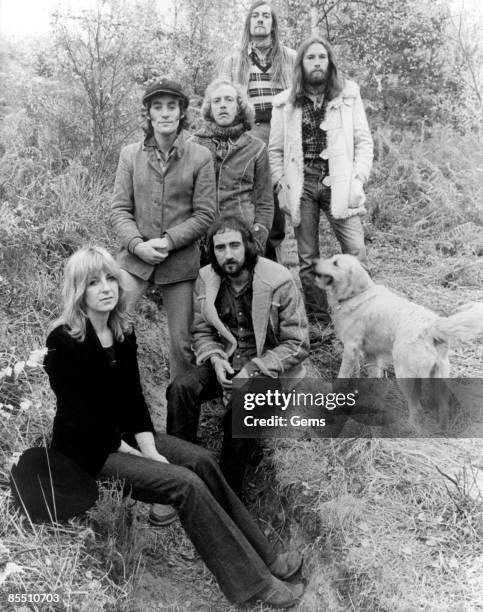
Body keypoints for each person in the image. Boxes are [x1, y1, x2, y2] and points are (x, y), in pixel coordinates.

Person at [43, 245, 304, 609]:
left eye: (110, 279)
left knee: (201, 461)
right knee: (186, 484)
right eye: (93, 283)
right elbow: (77, 416)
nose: (106, 288)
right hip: (88, 452)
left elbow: (133, 398)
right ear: (78, 291)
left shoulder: (122, 331)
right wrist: (132, 451)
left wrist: (149, 447)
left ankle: (268, 557)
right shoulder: (62, 340)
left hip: (125, 438)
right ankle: (253, 585)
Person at [166, 216, 309, 496]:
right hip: (228, 362)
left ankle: (227, 494)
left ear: (249, 246)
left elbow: (298, 343)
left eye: (234, 245)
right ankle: (180, 476)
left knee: (242, 410)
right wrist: (216, 359)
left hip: (269, 370)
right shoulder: (206, 279)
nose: (228, 254)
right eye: (220, 248)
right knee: (181, 389)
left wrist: (254, 369)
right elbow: (201, 331)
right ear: (211, 251)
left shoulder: (279, 279)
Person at [110, 79, 216, 381]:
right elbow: (119, 209)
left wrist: (169, 242)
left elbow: (206, 213)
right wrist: (136, 244)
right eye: (158, 107)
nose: (166, 113)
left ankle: (179, 425)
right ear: (149, 114)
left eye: (172, 106)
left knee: (182, 344)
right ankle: (120, 413)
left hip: (180, 263)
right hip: (135, 259)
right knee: (113, 325)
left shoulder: (199, 157)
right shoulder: (130, 155)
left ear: (182, 112)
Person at [269, 36, 373, 322]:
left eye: (322, 57)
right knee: (307, 257)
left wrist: (358, 180)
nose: (317, 63)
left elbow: (364, 142)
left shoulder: (348, 95)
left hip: (340, 181)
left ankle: (361, 313)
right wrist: (280, 184)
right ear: (301, 64)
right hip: (302, 184)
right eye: (310, 58)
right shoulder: (285, 104)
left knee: (355, 250)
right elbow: (275, 151)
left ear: (329, 62)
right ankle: (319, 321)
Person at [219, 1, 296, 262]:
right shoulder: (233, 61)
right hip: (248, 133)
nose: (261, 20)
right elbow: (223, 100)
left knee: (277, 195)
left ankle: (274, 259)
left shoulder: (290, 58)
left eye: (266, 16)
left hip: (281, 134)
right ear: (249, 23)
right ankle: (245, 255)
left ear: (273, 24)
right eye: (256, 16)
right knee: (252, 194)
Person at [189, 78, 274, 254]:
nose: (222, 105)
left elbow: (264, 202)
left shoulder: (256, 148)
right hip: (203, 241)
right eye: (216, 101)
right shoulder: (193, 145)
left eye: (229, 99)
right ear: (209, 108)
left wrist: (257, 240)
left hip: (245, 239)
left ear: (239, 106)